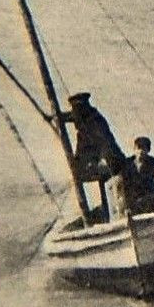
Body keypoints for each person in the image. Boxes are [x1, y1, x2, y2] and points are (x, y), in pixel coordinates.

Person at [58, 92, 129, 220]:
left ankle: (115, 216)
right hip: (96, 160)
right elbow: (70, 117)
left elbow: (105, 142)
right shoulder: (84, 122)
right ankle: (108, 215)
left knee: (112, 187)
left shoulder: (94, 121)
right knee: (104, 186)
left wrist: (104, 160)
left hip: (109, 160)